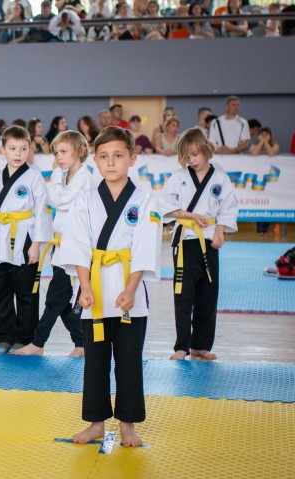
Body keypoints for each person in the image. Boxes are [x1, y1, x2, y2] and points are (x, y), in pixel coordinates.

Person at [54, 126, 162, 447]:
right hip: (96, 292)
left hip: (130, 292)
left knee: (129, 360)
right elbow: (77, 246)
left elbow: (145, 248)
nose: (111, 162)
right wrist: (84, 287)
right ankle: (96, 423)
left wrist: (131, 289)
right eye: (103, 157)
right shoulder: (85, 199)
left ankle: (128, 425)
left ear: (132, 159)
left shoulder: (144, 200)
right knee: (96, 361)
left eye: (118, 156)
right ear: (95, 161)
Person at [159, 127, 238, 361]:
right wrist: (190, 215)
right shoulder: (178, 177)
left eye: (195, 154)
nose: (191, 160)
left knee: (207, 294)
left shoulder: (220, 178)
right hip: (185, 241)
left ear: (205, 149)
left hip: (209, 241)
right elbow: (163, 205)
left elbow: (228, 207)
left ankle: (200, 345)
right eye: (187, 156)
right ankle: (181, 346)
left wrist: (220, 230)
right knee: (183, 294)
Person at [12, 130, 93, 357]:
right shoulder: (68, 177)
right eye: (56, 153)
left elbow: (58, 199)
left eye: (64, 152)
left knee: (55, 298)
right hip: (62, 245)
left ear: (80, 151)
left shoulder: (84, 178)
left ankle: (38, 343)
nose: (59, 157)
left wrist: (56, 173)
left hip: (75, 247)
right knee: (64, 300)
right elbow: (55, 199)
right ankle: (81, 343)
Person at [0, 126, 52, 354]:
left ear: (29, 150)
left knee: (26, 292)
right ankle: (3, 338)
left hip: (25, 237)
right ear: (2, 150)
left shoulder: (34, 177)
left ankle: (24, 338)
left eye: (23, 149)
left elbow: (42, 211)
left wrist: (36, 244)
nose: (18, 153)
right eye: (13, 148)